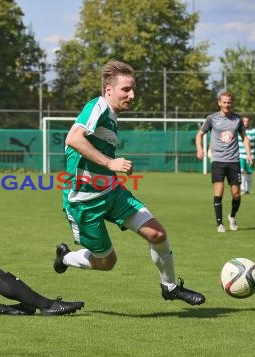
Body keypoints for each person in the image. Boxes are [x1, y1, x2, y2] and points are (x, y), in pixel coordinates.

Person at [54, 60, 205, 306]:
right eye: (126, 89)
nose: (132, 95)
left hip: (112, 192)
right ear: (108, 89)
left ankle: (170, 287)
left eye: (133, 89)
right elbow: (73, 138)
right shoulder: (98, 106)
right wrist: (109, 163)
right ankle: (66, 258)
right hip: (84, 203)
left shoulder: (112, 116)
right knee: (107, 262)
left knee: (157, 234)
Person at [196, 92, 251, 232]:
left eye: (229, 102)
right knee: (219, 192)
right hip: (218, 161)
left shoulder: (237, 119)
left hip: (234, 161)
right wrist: (199, 149)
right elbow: (200, 134)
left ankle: (232, 216)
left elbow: (244, 137)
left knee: (236, 194)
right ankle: (219, 224)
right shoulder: (212, 119)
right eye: (224, 102)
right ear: (219, 103)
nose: (227, 105)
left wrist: (249, 154)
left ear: (231, 103)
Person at [238, 116, 255, 194]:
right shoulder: (238, 130)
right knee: (241, 171)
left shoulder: (254, 131)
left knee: (249, 172)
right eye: (244, 121)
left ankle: (247, 190)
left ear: (249, 122)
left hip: (251, 155)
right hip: (240, 155)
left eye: (247, 121)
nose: (246, 123)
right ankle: (242, 188)